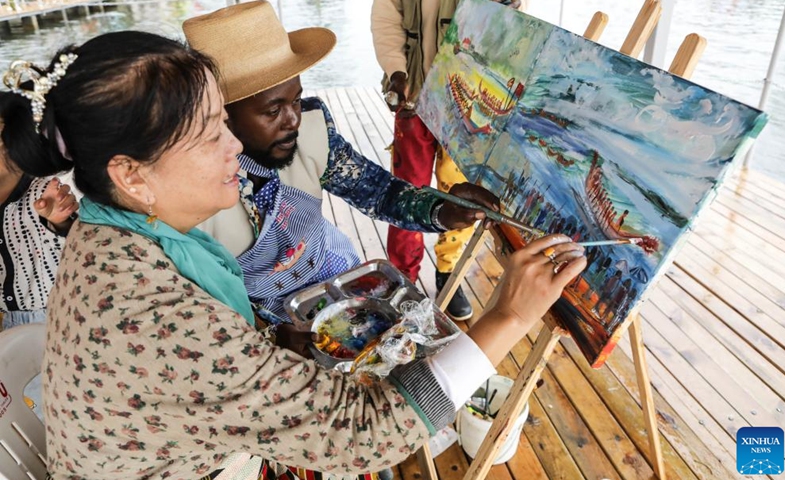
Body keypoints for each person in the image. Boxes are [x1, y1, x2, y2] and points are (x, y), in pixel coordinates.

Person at [5, 31, 585, 480]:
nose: (233, 145)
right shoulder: (150, 312)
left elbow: (379, 191)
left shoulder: (118, 234)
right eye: (213, 131)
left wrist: (437, 210)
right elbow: (364, 432)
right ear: (131, 175)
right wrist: (508, 316)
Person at [183, 1, 496, 328]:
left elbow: (379, 193)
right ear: (221, 115)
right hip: (263, 320)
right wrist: (269, 333)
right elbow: (203, 302)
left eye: (295, 99)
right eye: (273, 111)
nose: (293, 120)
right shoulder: (186, 190)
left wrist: (441, 209)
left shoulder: (314, 133)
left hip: (337, 278)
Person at [371, 0, 524, 321]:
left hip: (469, 102)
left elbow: (512, 30)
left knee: (461, 190)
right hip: (413, 96)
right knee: (405, 190)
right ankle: (403, 276)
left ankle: (448, 272)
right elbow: (386, 25)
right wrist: (396, 71)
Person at [0, 91, 78, 420]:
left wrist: (59, 220)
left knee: (74, 406)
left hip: (62, 317)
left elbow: (74, 232)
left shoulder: (43, 189)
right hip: (12, 330)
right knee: (38, 414)